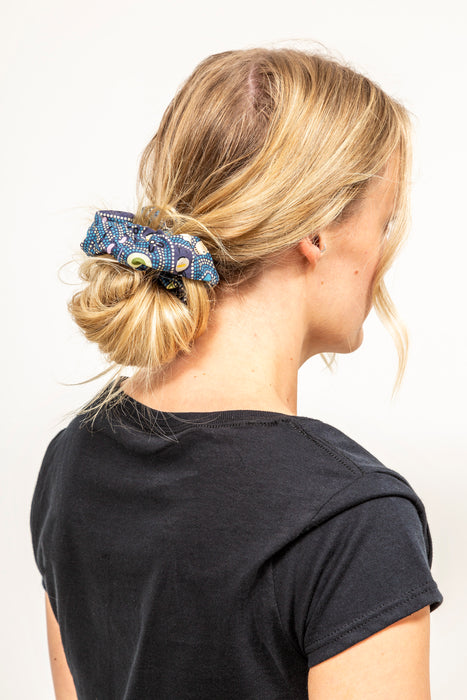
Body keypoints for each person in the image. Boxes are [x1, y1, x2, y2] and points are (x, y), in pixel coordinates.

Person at [30, 46, 443, 699]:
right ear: (316, 231)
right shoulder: (350, 520)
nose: (383, 254)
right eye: (383, 220)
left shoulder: (74, 457)